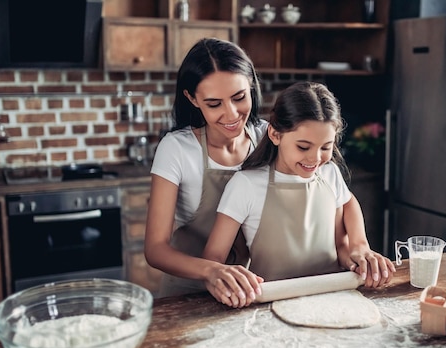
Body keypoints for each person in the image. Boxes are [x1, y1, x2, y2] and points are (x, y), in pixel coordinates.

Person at [144, 38, 371, 303]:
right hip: (189, 289)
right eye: (214, 104)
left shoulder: (269, 135)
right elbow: (155, 249)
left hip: (247, 287)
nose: (231, 114)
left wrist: (357, 244)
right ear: (192, 99)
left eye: (239, 97)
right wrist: (212, 270)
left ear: (251, 85)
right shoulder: (177, 149)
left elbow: (339, 192)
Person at [203, 81, 395, 308]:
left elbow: (343, 232)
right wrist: (223, 279)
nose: (315, 159)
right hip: (269, 307)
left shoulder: (330, 173)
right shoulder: (246, 185)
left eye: (326, 147)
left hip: (333, 301)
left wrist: (360, 252)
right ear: (275, 134)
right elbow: (212, 259)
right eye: (303, 147)